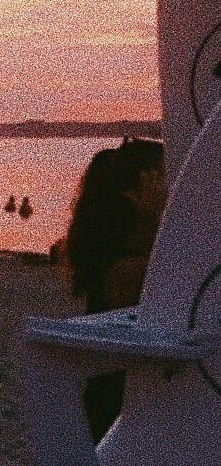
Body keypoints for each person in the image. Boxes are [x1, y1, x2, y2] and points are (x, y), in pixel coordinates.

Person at [65, 137, 166, 440]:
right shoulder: (126, 270)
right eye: (165, 177)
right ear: (137, 194)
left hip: (129, 410)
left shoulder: (121, 258)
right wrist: (154, 218)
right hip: (119, 418)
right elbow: (175, 268)